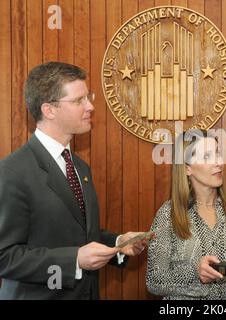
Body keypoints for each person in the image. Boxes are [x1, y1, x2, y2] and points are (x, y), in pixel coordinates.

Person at [0, 62, 147, 300]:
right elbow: (5, 257)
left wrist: (119, 244)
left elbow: (79, 234)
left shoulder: (79, 167)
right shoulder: (12, 171)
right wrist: (74, 260)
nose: (90, 106)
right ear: (49, 110)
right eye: (79, 100)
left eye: (87, 97)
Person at [146, 130, 226, 300]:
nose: (219, 162)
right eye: (207, 156)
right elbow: (154, 280)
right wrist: (195, 273)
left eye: (218, 153)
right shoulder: (168, 215)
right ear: (187, 168)